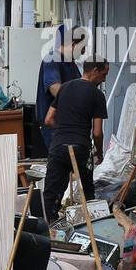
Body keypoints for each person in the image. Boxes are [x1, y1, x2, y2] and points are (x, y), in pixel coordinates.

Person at [43, 58, 110, 223]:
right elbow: (97, 132)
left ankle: (48, 230)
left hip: (58, 147)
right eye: (103, 74)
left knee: (52, 194)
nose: (104, 79)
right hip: (81, 148)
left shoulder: (64, 88)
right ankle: (91, 229)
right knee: (87, 192)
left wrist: (63, 129)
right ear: (94, 70)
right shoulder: (97, 95)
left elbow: (48, 120)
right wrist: (99, 153)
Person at [37, 24, 85, 152]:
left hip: (68, 126)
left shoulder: (71, 64)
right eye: (83, 47)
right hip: (54, 127)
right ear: (74, 43)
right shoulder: (52, 59)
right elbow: (54, 88)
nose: (84, 52)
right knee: (59, 164)